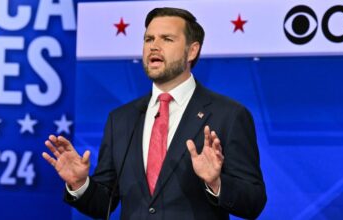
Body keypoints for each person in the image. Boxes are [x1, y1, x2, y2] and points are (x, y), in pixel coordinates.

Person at [42, 7, 266, 220]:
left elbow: (254, 202)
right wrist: (80, 184)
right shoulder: (121, 119)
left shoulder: (228, 115)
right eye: (149, 39)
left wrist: (216, 183)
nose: (153, 47)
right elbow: (104, 204)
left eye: (167, 39)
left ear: (192, 50)